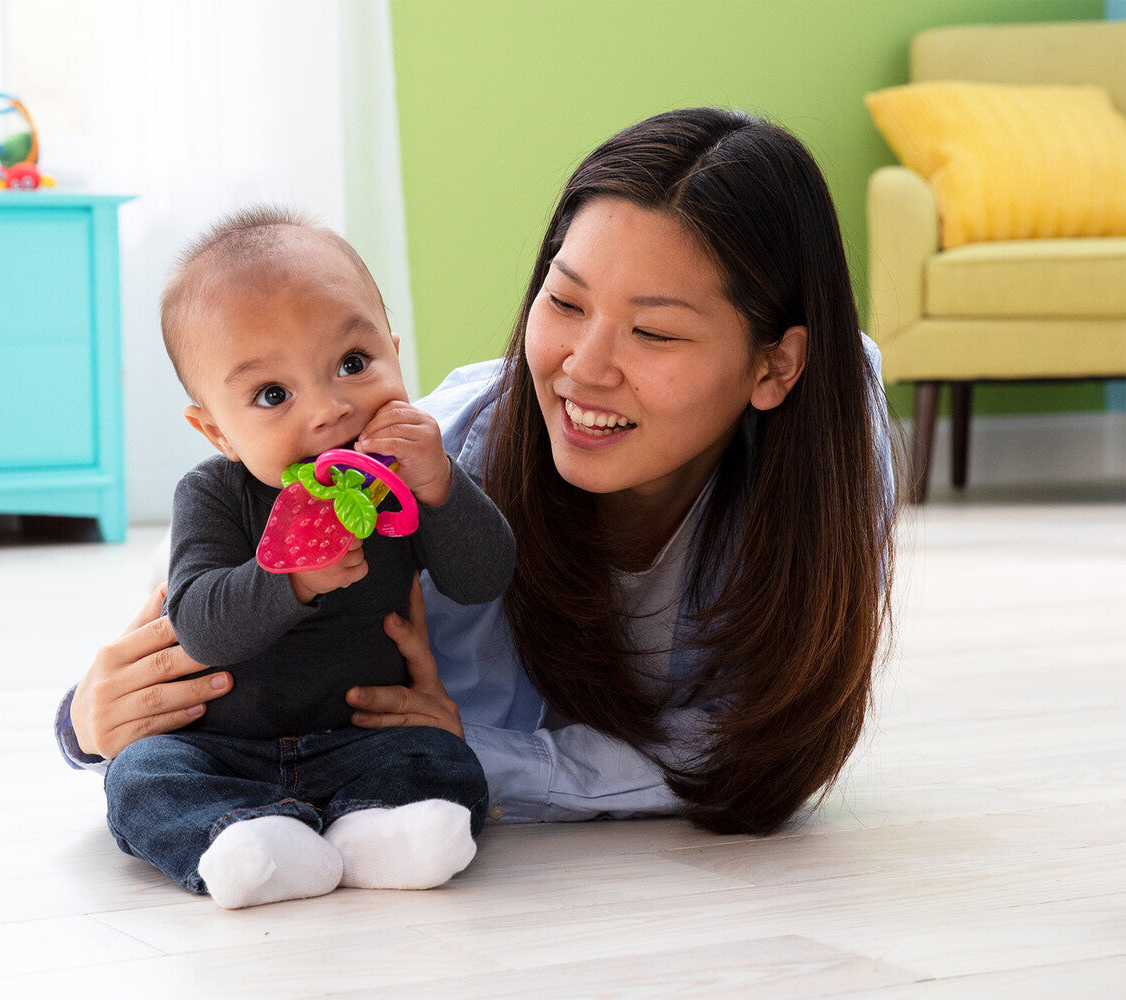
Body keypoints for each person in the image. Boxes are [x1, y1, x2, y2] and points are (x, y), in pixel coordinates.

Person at [57, 107, 894, 843]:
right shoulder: (442, 451)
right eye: (564, 304)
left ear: (776, 367)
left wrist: (481, 758)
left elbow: (750, 748)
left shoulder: (830, 434)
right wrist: (84, 721)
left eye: (655, 333)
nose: (582, 368)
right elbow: (205, 628)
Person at [98, 207, 515, 909]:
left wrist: (442, 485)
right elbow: (199, 624)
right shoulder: (212, 495)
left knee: (444, 757)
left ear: (395, 350)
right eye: (272, 395)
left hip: (361, 738)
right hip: (221, 749)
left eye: (354, 364)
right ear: (216, 430)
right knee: (141, 777)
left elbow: (482, 579)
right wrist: (287, 575)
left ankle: (378, 832)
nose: (328, 410)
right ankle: (243, 838)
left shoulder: (403, 479)